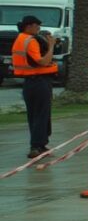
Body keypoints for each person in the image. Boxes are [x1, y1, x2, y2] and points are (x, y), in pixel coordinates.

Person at [11, 15, 57, 159]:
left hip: (29, 82)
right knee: (41, 114)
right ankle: (36, 146)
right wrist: (51, 46)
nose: (39, 29)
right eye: (37, 26)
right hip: (39, 81)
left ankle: (40, 144)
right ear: (29, 26)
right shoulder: (30, 41)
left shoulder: (20, 39)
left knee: (34, 115)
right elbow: (42, 62)